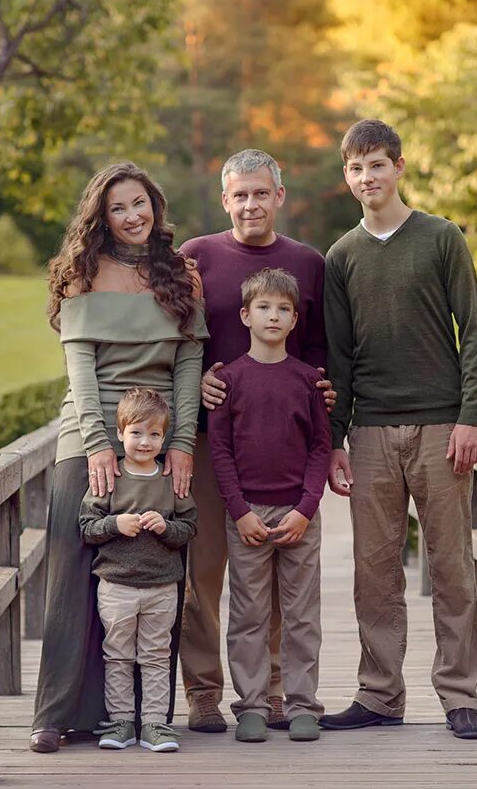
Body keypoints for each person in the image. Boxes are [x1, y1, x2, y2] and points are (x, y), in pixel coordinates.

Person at [320, 119, 477, 740]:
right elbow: (338, 359)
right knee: (375, 570)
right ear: (347, 177)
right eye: (357, 169)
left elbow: (471, 332)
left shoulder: (442, 238)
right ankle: (380, 693)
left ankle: (460, 695)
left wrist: (471, 417)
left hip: (440, 427)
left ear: (398, 167)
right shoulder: (342, 256)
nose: (368, 178)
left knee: (451, 566)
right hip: (369, 435)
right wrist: (335, 438)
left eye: (378, 165)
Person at [30, 162, 207, 754]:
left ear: (154, 205)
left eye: (140, 204)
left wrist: (181, 444)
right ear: (100, 219)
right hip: (89, 432)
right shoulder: (83, 273)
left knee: (155, 563)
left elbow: (187, 365)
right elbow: (79, 366)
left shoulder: (181, 274)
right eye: (117, 209)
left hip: (157, 437)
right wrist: (98, 441)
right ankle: (55, 715)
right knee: (71, 574)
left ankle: (140, 716)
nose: (132, 216)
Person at [178, 149, 331, 734]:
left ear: (279, 196)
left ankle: (272, 695)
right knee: (209, 572)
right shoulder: (197, 256)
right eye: (240, 194)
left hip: (282, 447)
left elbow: (317, 349)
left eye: (261, 193)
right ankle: (203, 692)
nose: (250, 204)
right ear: (225, 200)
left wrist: (324, 395)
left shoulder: (307, 262)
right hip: (211, 438)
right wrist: (200, 384)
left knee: (273, 579)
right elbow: (178, 340)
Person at [208, 268, 330, 744]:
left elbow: (321, 447)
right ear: (245, 315)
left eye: (283, 309)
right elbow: (219, 451)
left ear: (295, 319)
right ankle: (252, 706)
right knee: (249, 615)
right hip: (248, 516)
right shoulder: (228, 380)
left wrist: (306, 507)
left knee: (302, 616)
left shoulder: (307, 381)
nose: (274, 316)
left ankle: (302, 706)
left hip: (300, 514)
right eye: (264, 307)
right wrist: (239, 511)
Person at [81, 388, 197, 753]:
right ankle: (121, 722)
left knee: (156, 655)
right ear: (120, 433)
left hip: (162, 586)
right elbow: (87, 526)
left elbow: (189, 527)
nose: (145, 442)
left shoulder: (171, 481)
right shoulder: (109, 478)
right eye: (136, 433)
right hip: (116, 585)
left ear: (164, 437)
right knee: (117, 655)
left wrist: (166, 528)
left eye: (154, 434)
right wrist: (115, 524)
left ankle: (155, 724)